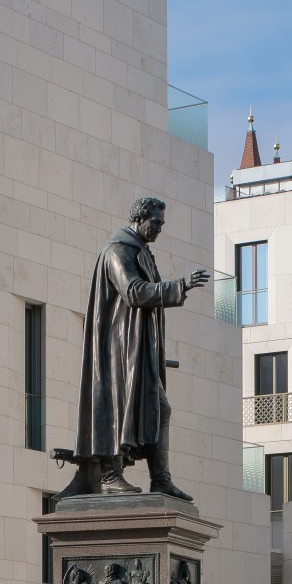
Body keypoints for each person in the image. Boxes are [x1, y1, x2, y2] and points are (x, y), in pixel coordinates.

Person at [65, 196, 211, 500]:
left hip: (137, 347)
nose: (158, 229)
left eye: (161, 224)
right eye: (155, 222)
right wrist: (180, 285)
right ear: (139, 218)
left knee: (159, 408)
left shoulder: (141, 251)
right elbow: (133, 292)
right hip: (118, 350)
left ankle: (161, 479)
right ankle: (110, 475)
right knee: (116, 407)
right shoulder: (118, 251)